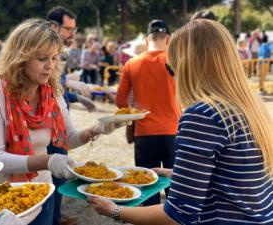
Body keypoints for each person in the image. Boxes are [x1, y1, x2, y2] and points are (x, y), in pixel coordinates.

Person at [89, 19, 273, 225]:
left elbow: (178, 215)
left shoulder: (203, 115)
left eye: (171, 68)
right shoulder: (252, 105)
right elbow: (235, 178)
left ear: (187, 65)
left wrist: (114, 210)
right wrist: (175, 174)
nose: (174, 76)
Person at [0, 19, 125, 225]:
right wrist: (47, 161)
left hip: (39, 192)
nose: (50, 66)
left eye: (54, 58)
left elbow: (68, 138)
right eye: (42, 58)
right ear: (20, 57)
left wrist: (96, 129)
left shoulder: (51, 93)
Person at [116, 19, 181, 206]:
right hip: (173, 131)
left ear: (146, 41)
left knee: (147, 187)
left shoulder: (132, 64)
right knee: (176, 188)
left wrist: (136, 111)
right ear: (168, 39)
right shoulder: (176, 61)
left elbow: (121, 100)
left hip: (144, 134)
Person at [46, 6, 96, 112]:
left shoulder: (59, 51)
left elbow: (58, 90)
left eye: (74, 29)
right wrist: (68, 82)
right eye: (68, 29)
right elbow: (43, 89)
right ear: (54, 27)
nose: (73, 34)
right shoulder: (43, 51)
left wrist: (78, 98)